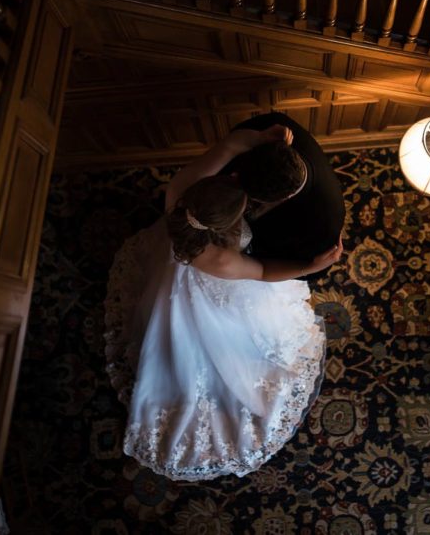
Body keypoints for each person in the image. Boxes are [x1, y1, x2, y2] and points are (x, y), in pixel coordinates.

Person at [103, 125, 343, 481]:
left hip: (173, 262)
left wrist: (264, 139)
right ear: (233, 222)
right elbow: (262, 272)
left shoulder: (179, 189)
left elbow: (230, 143)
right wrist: (310, 267)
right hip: (213, 290)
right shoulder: (220, 261)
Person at [224, 113, 345, 275]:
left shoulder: (324, 224)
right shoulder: (271, 126)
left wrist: (309, 268)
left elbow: (312, 267)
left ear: (284, 198)